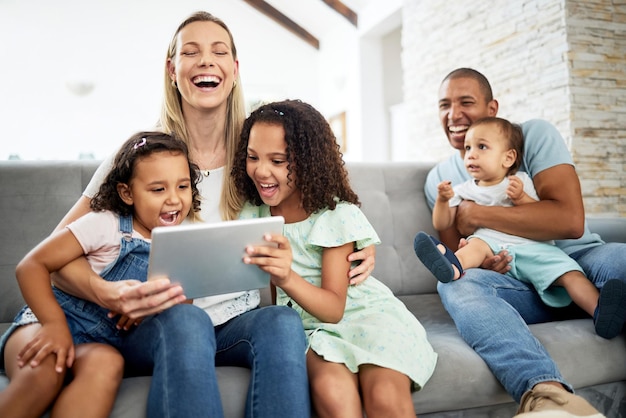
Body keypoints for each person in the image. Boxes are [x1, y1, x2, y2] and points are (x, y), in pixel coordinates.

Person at [46, 11, 376, 417]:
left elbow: (318, 208)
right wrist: (107, 292)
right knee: (187, 321)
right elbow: (54, 258)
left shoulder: (255, 158)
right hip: (159, 325)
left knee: (279, 322)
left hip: (233, 323)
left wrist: (357, 247)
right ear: (172, 70)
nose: (206, 61)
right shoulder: (142, 157)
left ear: (234, 71)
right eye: (191, 52)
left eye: (218, 51)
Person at [424, 67, 625, 416]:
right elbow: (455, 249)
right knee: (456, 283)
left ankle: (599, 308)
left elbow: (569, 222)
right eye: (444, 105)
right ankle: (550, 399)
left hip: (579, 260)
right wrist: (483, 258)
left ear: (492, 108)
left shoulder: (534, 136)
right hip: (515, 283)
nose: (453, 115)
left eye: (465, 102)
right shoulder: (440, 179)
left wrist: (478, 215)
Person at [233, 100, 438, 418]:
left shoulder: (334, 214)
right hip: (311, 332)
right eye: (252, 157)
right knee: (332, 394)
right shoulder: (253, 215)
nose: (262, 170)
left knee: (384, 396)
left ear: (308, 161)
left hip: (364, 316)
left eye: (278, 160)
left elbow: (333, 309)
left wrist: (287, 276)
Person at [0, 132, 217, 418]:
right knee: (45, 370)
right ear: (127, 193)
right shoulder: (107, 224)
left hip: (99, 345)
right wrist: (54, 325)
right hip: (46, 321)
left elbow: (181, 309)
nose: (174, 200)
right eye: (157, 190)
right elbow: (31, 265)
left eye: (183, 186)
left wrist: (149, 305)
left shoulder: (183, 248)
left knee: (107, 364)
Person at [414, 116, 626, 339]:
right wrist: (443, 200)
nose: (471, 155)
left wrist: (521, 197)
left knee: (571, 274)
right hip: (491, 243)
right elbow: (442, 222)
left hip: (532, 246)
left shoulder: (519, 181)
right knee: (474, 246)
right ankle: (452, 266)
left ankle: (600, 311)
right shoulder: (465, 189)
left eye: (482, 147)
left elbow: (539, 213)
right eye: (468, 148)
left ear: (508, 158)